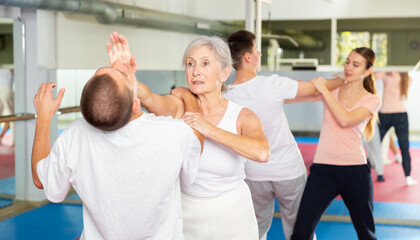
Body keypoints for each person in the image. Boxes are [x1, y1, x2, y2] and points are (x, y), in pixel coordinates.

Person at [31, 32, 203, 240]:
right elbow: (196, 138)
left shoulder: (76, 135)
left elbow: (43, 181)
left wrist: (44, 116)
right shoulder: (170, 133)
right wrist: (188, 97)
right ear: (135, 103)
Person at [130, 33, 270, 239]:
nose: (196, 71)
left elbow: (262, 152)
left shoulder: (242, 116)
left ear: (224, 74)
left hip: (233, 214)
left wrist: (209, 129)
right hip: (187, 213)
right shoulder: (180, 104)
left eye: (205, 63)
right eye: (190, 63)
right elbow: (151, 99)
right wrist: (129, 79)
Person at [223, 30, 344, 240]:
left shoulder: (226, 95)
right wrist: (343, 80)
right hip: (288, 170)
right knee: (299, 229)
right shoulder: (273, 84)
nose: (260, 54)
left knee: (256, 229)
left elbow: (307, 95)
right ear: (248, 57)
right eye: (257, 51)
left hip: (254, 172)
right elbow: (315, 89)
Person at [291, 47, 380, 240]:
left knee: (366, 234)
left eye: (356, 65)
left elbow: (345, 119)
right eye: (347, 62)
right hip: (323, 170)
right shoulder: (334, 89)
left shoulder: (372, 99)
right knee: (301, 232)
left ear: (367, 71)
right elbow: (295, 96)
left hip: (355, 171)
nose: (348, 67)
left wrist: (325, 88)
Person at [376, 71, 417, 186]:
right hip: (387, 114)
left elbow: (376, 74)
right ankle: (367, 173)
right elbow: (372, 75)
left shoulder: (401, 77)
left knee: (404, 146)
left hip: (397, 115)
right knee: (375, 145)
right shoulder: (390, 75)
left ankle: (408, 176)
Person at [0, 68, 14, 146]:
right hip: (6, 89)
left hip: (5, 88)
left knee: (11, 117)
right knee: (12, 117)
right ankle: (15, 139)